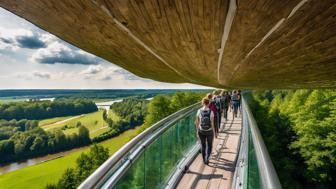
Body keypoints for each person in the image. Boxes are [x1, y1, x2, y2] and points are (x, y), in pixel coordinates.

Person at [195, 97, 215, 165]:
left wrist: (197, 130)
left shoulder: (199, 111)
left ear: (203, 103)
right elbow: (212, 123)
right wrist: (214, 132)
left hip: (201, 130)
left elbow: (197, 122)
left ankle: (204, 160)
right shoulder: (211, 111)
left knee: (203, 145)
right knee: (209, 145)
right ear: (208, 103)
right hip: (209, 131)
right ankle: (207, 157)